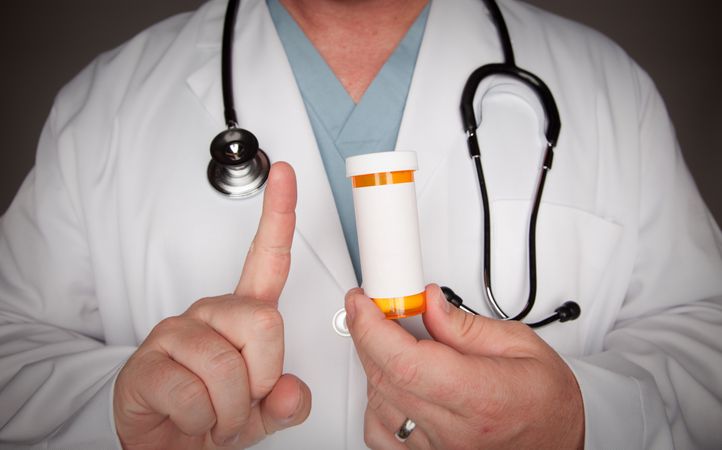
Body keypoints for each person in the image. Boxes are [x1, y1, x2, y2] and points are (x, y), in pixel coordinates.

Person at [1, 0, 720, 448]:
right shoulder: (107, 106)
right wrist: (118, 414)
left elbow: (705, 338)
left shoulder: (606, 87)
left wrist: (585, 422)